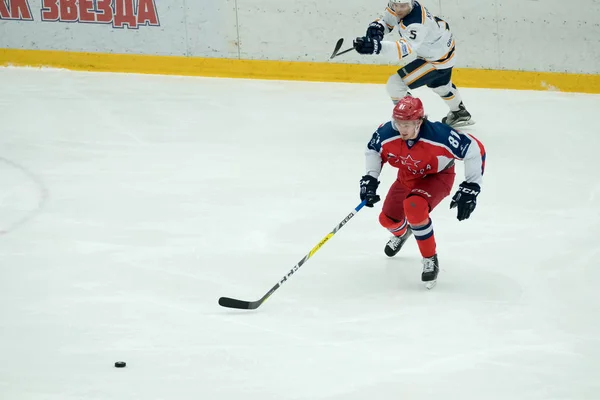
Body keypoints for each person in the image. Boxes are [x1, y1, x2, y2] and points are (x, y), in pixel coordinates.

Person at [359, 96, 486, 287]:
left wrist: (472, 186)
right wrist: (370, 178)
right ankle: (403, 233)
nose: (402, 128)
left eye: (407, 124)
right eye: (399, 123)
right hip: (407, 177)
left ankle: (430, 259)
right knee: (387, 219)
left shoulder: (439, 135)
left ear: (419, 122)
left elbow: (474, 148)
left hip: (437, 177)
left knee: (415, 207)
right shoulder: (387, 132)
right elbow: (373, 150)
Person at [352, 0, 473, 128]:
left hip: (437, 58)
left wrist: (376, 46)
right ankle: (459, 112)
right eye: (395, 5)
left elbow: (402, 50)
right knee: (440, 85)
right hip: (442, 47)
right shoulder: (403, 5)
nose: (398, 9)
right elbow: (387, 20)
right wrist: (377, 28)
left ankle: (412, 121)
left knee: (395, 85)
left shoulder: (417, 23)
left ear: (411, 4)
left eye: (403, 6)